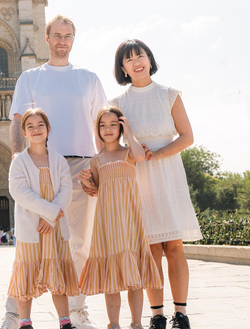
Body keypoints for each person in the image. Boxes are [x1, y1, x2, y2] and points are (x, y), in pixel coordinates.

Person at [3, 15, 107, 329]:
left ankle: (76, 311)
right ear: (47, 39)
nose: (63, 41)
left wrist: (99, 167)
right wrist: (17, 157)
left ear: (73, 39)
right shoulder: (30, 77)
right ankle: (13, 314)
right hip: (40, 165)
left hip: (81, 166)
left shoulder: (89, 78)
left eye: (68, 36)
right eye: (57, 35)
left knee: (80, 244)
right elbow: (17, 120)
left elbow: (100, 125)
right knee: (28, 244)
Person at [108, 40, 201, 329]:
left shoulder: (169, 95)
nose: (137, 62)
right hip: (138, 176)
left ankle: (180, 314)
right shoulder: (117, 103)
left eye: (141, 55)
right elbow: (112, 143)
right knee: (150, 251)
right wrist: (132, 154)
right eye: (129, 59)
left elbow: (187, 137)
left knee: (174, 246)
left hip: (168, 172)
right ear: (123, 68)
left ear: (149, 59)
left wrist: (158, 154)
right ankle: (157, 314)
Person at [78, 107, 162, 329]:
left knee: (135, 278)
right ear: (98, 130)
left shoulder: (128, 153)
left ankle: (136, 323)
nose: (108, 129)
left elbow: (141, 157)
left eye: (113, 124)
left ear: (121, 127)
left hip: (130, 221)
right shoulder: (96, 160)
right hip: (107, 223)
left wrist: (130, 132)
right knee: (111, 279)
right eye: (103, 125)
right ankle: (113, 324)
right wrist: (85, 181)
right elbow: (97, 189)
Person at [7, 108, 77, 329]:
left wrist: (51, 219)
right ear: (24, 133)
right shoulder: (19, 162)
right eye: (30, 126)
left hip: (54, 227)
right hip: (32, 227)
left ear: (48, 129)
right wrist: (50, 213)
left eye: (40, 125)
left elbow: (66, 191)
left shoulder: (58, 160)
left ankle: (65, 322)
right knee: (26, 274)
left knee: (59, 274)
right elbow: (20, 193)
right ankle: (25, 323)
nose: (36, 129)